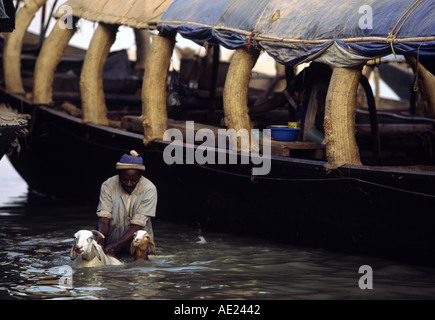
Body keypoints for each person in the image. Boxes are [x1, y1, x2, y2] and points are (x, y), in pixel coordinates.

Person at [95, 150, 157, 257]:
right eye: (124, 179)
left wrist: (116, 246)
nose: (128, 184)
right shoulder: (108, 185)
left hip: (139, 246)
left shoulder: (149, 189)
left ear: (140, 177)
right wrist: (98, 238)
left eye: (133, 180)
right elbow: (104, 218)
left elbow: (136, 225)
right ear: (119, 175)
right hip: (111, 241)